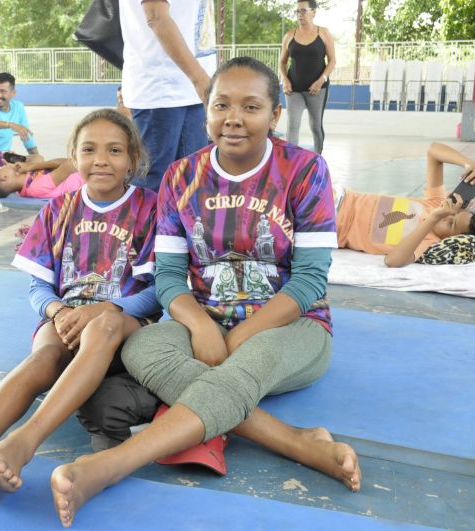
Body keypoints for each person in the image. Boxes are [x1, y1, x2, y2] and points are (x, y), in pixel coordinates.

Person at [46, 57, 361, 527]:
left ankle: (111, 465)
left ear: (275, 115)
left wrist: (237, 337)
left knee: (248, 363)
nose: (233, 118)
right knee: (142, 344)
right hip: (204, 320)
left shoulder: (305, 170)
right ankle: (294, 441)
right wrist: (198, 324)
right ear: (207, 112)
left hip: (294, 325)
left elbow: (311, 279)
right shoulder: (180, 176)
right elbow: (170, 276)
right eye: (221, 105)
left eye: (251, 106)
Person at [0, 108, 162, 498]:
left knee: (104, 327)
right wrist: (58, 311)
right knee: (42, 359)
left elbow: (156, 291)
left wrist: (107, 309)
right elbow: (38, 288)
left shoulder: (149, 207)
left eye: (115, 151)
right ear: (74, 156)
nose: (101, 160)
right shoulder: (58, 209)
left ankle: (25, 441)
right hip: (66, 320)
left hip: (122, 324)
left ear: (133, 160)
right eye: (89, 150)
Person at [336, 142, 475, 267]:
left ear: (451, 240)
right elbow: (433, 150)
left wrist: (433, 218)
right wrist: (469, 164)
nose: (447, 214)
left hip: (333, 225)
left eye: (451, 223)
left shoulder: (428, 241)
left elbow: (392, 261)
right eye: (455, 212)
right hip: (343, 196)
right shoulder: (436, 202)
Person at [120, 0, 217, 190]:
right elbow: (156, 17)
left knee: (192, 184)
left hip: (189, 90)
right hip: (162, 90)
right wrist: (200, 79)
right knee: (152, 187)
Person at [278, 0, 336, 153]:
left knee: (315, 126)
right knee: (292, 125)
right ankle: (291, 163)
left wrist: (320, 80)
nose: (299, 15)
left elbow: (332, 61)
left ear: (314, 12)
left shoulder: (323, 33)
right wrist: (285, 79)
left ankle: (318, 159)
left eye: (303, 11)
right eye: (297, 11)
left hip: (317, 90)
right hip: (293, 90)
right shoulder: (290, 35)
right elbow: (282, 63)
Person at [0, 157, 85, 199]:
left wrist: (24, 164)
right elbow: (70, 163)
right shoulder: (35, 186)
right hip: (89, 178)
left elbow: (38, 157)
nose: (0, 166)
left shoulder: (25, 181)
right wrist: (31, 166)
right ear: (4, 177)